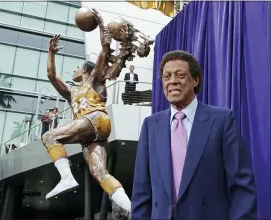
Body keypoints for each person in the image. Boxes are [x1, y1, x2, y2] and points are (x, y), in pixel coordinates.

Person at [131, 50, 257, 220]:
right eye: (167, 76)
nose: (172, 81)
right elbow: (141, 191)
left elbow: (242, 186)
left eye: (180, 75)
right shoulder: (151, 125)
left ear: (195, 80)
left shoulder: (222, 120)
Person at [41, 9, 132, 216]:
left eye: (78, 67)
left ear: (85, 70)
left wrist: (100, 22)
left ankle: (66, 177)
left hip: (95, 119)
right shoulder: (72, 92)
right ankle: (131, 208)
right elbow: (51, 75)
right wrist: (51, 54)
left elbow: (104, 49)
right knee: (100, 173)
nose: (75, 70)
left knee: (49, 136)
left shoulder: (95, 79)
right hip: (94, 136)